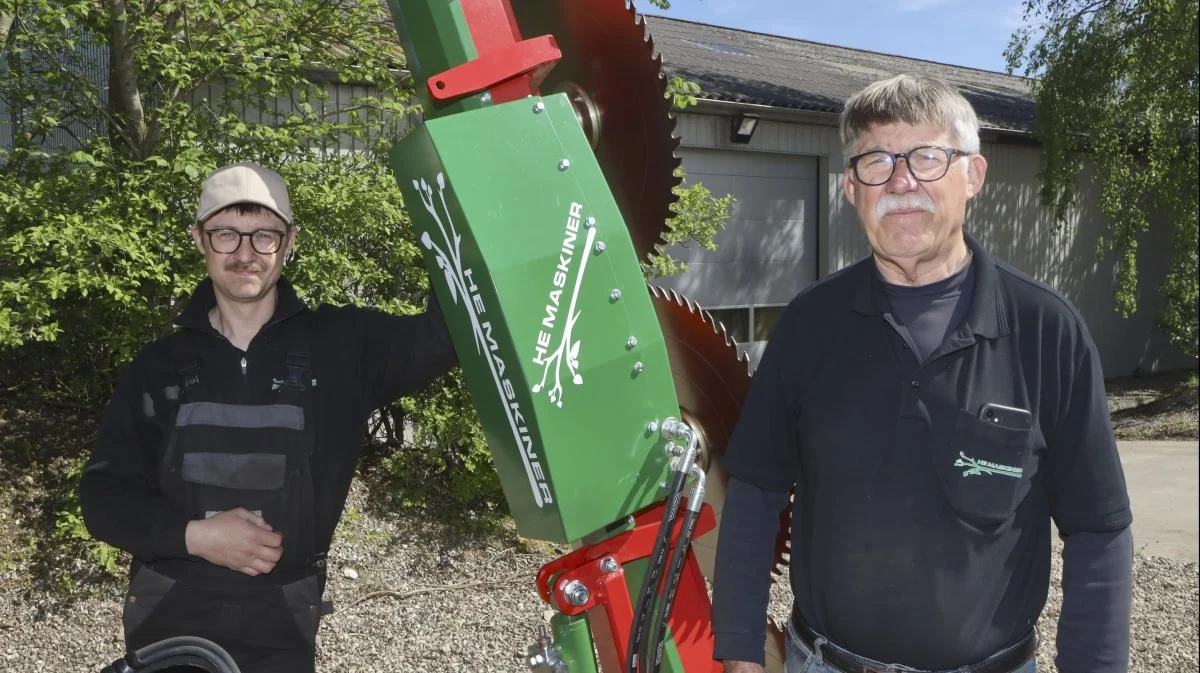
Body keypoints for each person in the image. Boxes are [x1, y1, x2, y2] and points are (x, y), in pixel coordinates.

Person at [711, 74, 1133, 673]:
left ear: (973, 177)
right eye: (877, 161)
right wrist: (740, 649)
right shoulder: (810, 324)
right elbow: (754, 492)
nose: (902, 182)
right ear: (851, 188)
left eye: (928, 157)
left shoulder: (1047, 331)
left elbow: (1099, 528)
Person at [79, 161, 458, 673]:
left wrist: (455, 193)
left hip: (282, 630)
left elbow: (450, 330)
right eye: (226, 234)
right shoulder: (157, 367)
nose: (245, 254)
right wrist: (197, 536)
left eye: (264, 236)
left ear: (290, 240)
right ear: (199, 239)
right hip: (170, 627)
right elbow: (103, 499)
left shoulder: (345, 346)